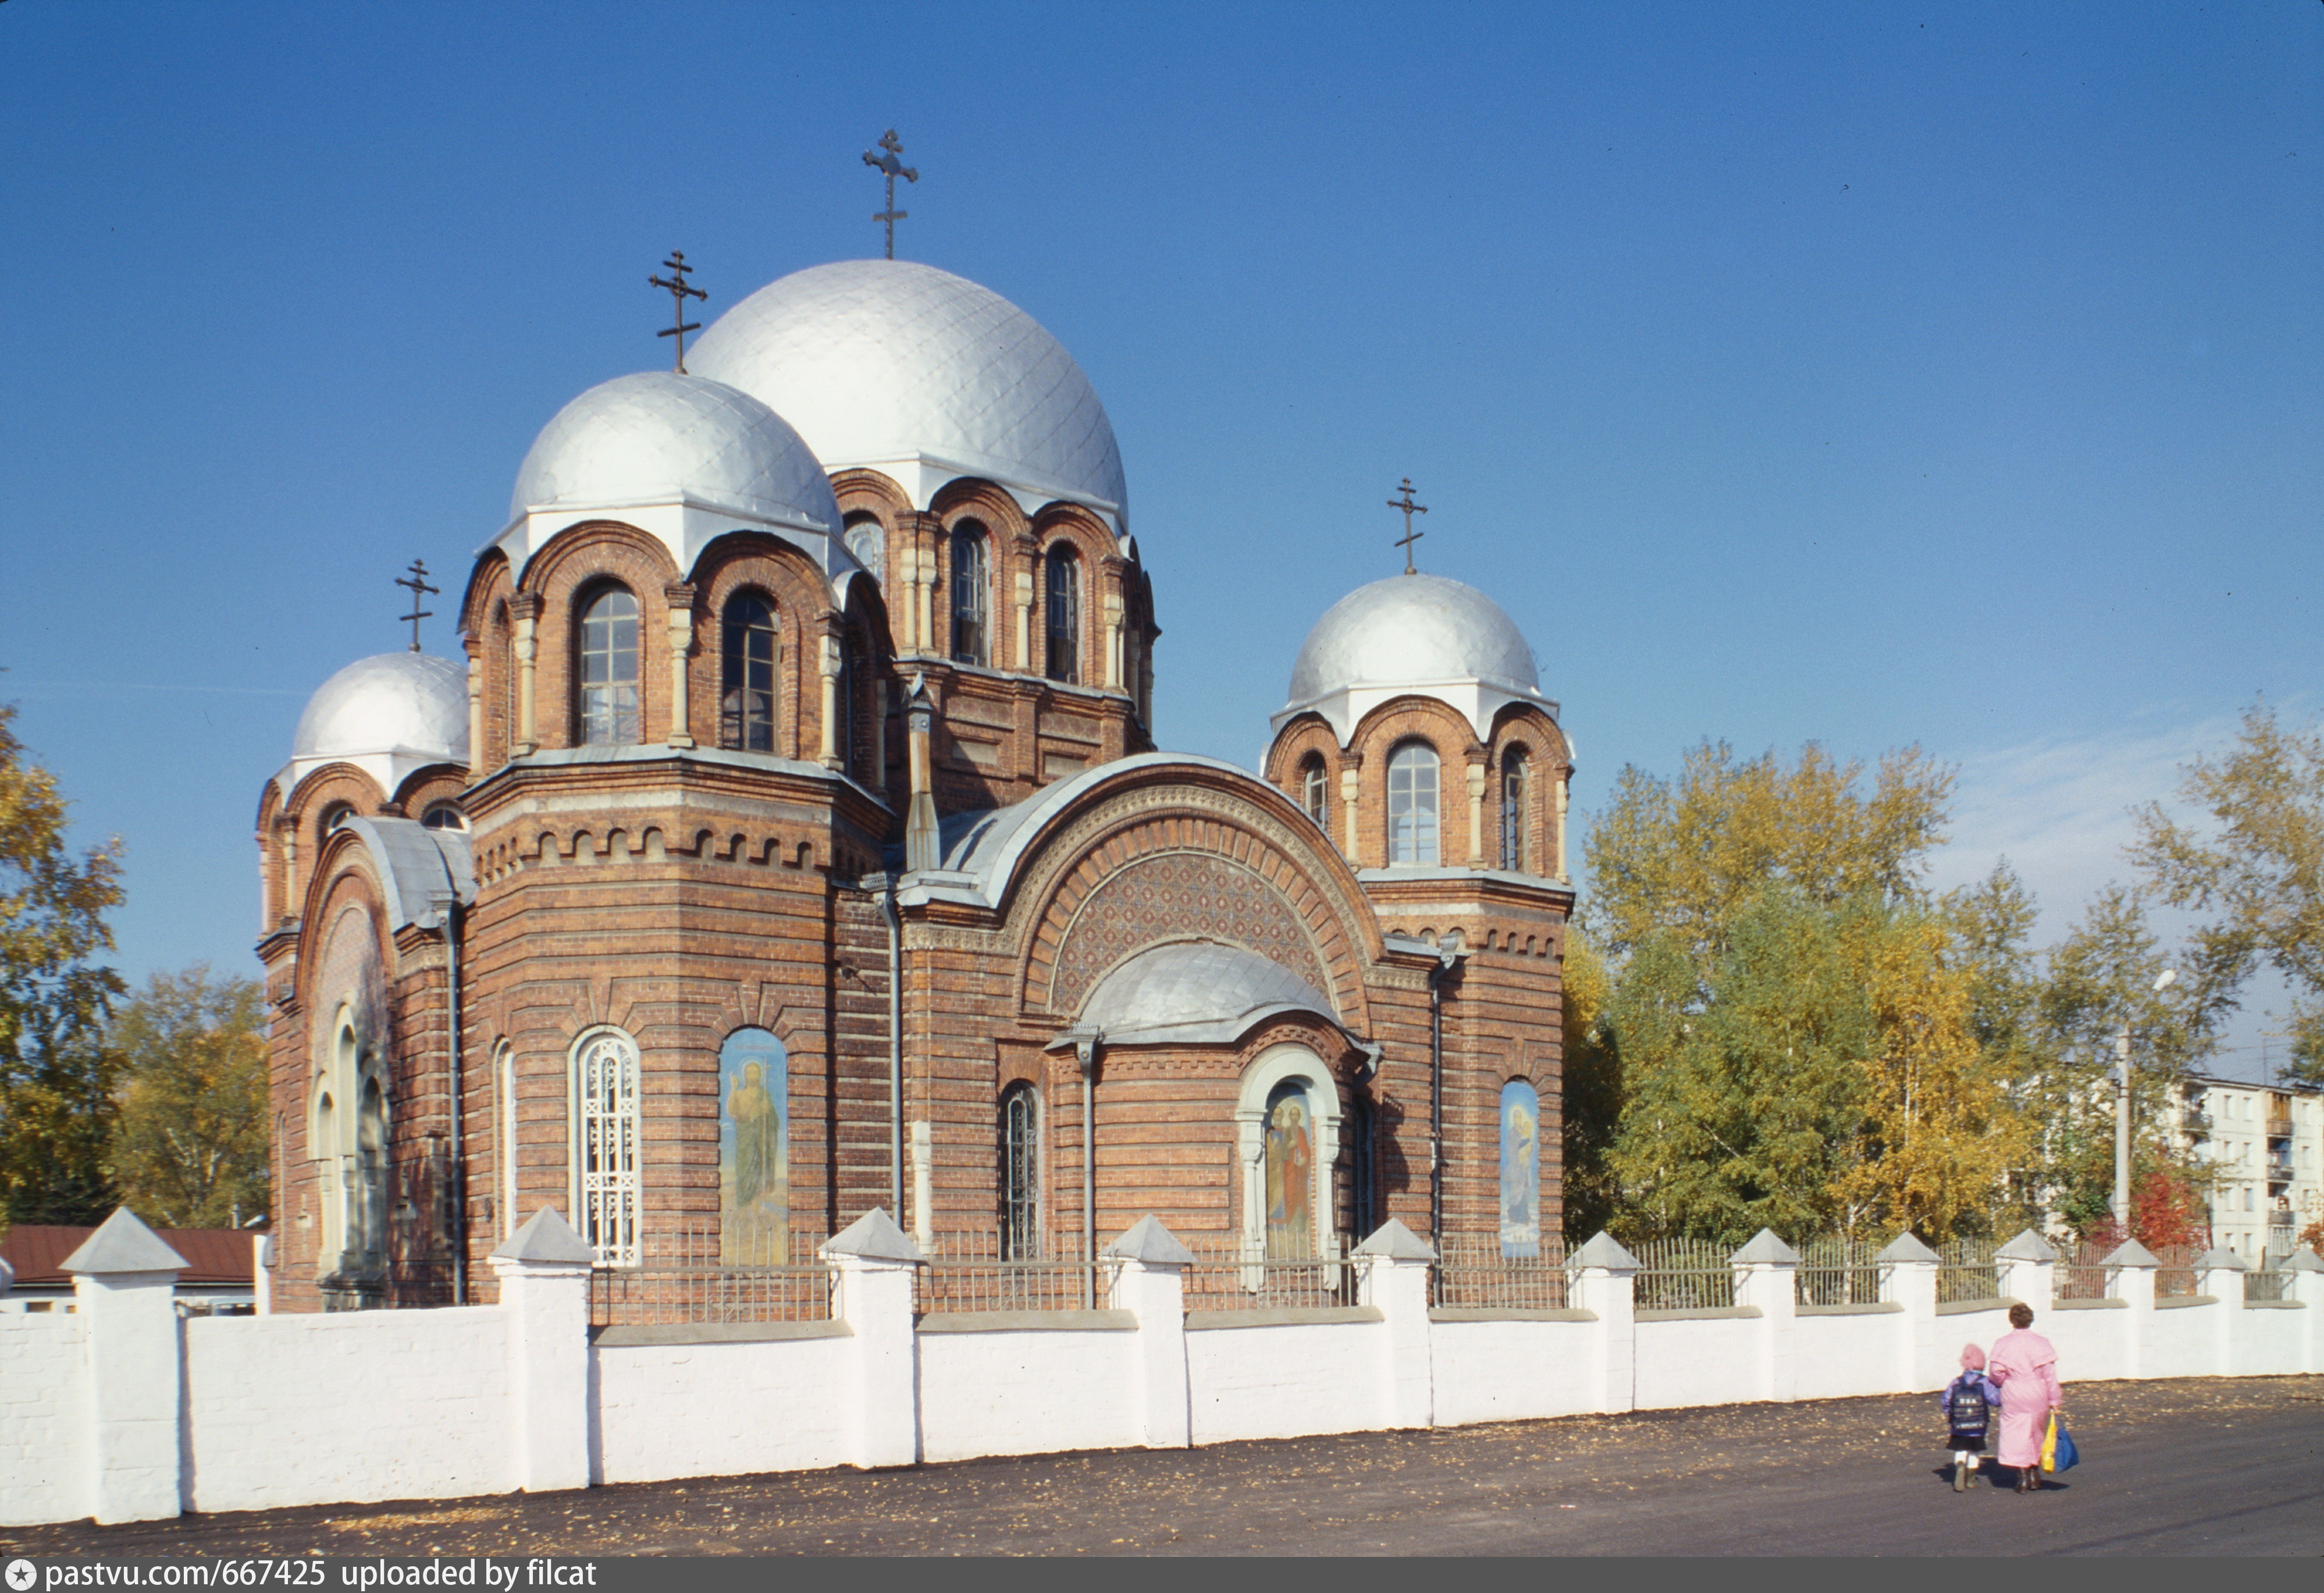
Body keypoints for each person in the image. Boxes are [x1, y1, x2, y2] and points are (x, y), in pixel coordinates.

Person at [1988, 1302, 2065, 1493]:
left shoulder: (2003, 1343)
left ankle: (2022, 1476)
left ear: (2012, 1320)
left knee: (2016, 1433)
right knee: (2036, 1432)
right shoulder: (2042, 1343)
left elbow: (1996, 1372)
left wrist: (2005, 1381)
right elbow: (2050, 1376)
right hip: (2038, 1392)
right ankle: (2034, 1474)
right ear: (2030, 1319)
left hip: (2014, 1391)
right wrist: (2055, 1401)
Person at [1940, 1343, 2001, 1491]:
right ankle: (1971, 1479)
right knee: (1974, 1452)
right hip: (1978, 1426)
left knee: (1961, 1449)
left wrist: (1951, 1416)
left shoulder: (1956, 1382)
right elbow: (1995, 1400)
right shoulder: (1984, 1382)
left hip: (1959, 1426)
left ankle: (1960, 1465)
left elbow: (1946, 1400)